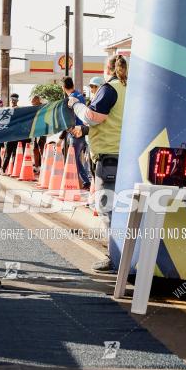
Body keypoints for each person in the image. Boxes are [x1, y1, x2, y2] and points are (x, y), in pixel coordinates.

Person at [68, 55, 128, 272]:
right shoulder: (129, 88)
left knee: (108, 209)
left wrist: (76, 105)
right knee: (124, 209)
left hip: (109, 157)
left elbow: (92, 117)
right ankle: (127, 256)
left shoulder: (110, 88)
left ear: (108, 68)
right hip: (127, 156)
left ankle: (116, 259)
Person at [61, 76, 91, 190]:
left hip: (75, 131)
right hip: (83, 130)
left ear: (63, 87)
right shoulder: (79, 95)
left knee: (73, 158)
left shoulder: (71, 99)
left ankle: (82, 181)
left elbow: (70, 117)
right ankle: (85, 180)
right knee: (77, 158)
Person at [0, 92, 21, 173]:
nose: (13, 101)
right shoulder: (7, 109)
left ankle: (15, 171)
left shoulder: (19, 109)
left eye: (15, 99)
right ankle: (3, 169)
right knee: (7, 153)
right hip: (9, 134)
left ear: (17, 100)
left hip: (16, 134)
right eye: (12, 99)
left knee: (15, 153)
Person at [30, 94, 46, 173]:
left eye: (33, 101)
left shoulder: (43, 107)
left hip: (42, 132)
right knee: (35, 149)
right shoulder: (33, 109)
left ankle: (44, 166)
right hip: (35, 132)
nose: (32, 102)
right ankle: (36, 167)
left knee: (41, 149)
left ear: (37, 100)